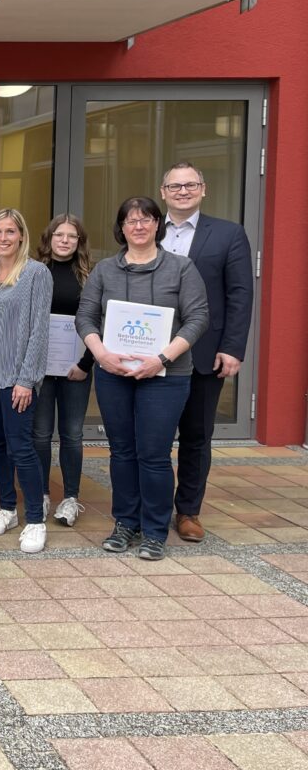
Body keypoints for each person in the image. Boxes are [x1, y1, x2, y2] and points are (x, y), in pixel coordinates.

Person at [77, 197, 209, 561]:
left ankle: (153, 530)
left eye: (146, 219)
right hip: (113, 374)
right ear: (121, 228)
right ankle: (125, 522)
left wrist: (162, 358)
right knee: (121, 452)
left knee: (153, 454)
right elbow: (85, 317)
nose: (138, 226)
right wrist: (101, 354)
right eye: (131, 220)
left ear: (157, 225)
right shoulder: (105, 270)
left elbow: (198, 318)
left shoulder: (182, 268)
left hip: (166, 376)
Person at [160, 163, 254, 543]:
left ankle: (188, 512)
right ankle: (154, 508)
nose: (183, 191)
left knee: (196, 435)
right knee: (154, 437)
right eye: (175, 186)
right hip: (154, 352)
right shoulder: (146, 229)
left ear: (204, 189)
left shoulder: (229, 234)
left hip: (204, 353)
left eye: (190, 185)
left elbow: (239, 294)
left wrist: (232, 348)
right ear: (163, 191)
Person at [0, 209, 53, 554]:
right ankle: (7, 508)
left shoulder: (36, 273)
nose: (2, 238)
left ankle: (35, 518)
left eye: (9, 232)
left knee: (21, 446)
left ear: (21, 235)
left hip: (16, 378)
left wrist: (26, 379)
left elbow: (38, 330)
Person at [32, 215, 95, 528]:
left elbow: (97, 322)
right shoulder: (33, 271)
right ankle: (42, 494)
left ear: (79, 241)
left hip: (77, 369)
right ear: (50, 237)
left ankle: (70, 497)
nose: (65, 240)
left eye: (72, 236)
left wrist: (85, 366)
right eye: (60, 235)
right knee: (41, 434)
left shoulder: (89, 276)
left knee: (72, 434)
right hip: (40, 369)